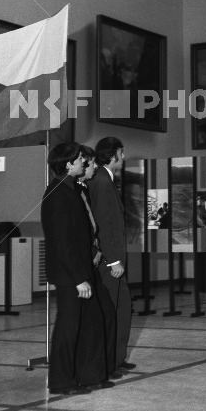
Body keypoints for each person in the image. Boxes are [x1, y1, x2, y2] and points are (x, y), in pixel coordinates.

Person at [41, 142, 113, 395]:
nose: (84, 163)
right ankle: (61, 381)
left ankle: (89, 376)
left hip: (81, 270)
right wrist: (78, 279)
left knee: (91, 324)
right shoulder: (58, 194)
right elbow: (62, 243)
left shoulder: (69, 190)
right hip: (71, 274)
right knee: (68, 328)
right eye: (80, 159)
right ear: (68, 164)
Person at [87, 136, 135, 374]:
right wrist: (113, 259)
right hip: (109, 262)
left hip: (114, 259)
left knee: (122, 308)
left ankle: (116, 358)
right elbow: (103, 224)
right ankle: (108, 362)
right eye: (121, 153)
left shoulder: (106, 179)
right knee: (111, 310)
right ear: (112, 155)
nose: (124, 157)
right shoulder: (101, 182)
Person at [77, 145, 120, 381]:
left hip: (91, 258)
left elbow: (92, 225)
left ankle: (102, 368)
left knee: (104, 313)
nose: (94, 167)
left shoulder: (83, 188)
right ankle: (88, 371)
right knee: (89, 319)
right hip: (81, 266)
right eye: (90, 163)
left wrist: (97, 248)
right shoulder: (71, 191)